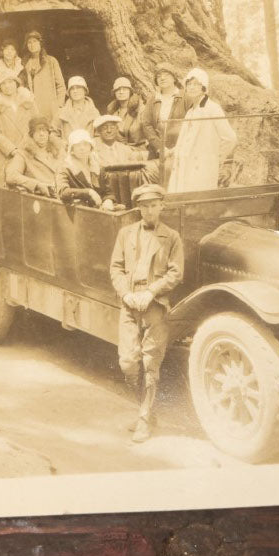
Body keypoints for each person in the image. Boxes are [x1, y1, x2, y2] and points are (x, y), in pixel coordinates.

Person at [109, 183, 183, 443]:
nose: (149, 211)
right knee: (128, 362)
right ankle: (145, 409)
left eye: (154, 205)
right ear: (138, 208)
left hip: (154, 305)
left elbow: (175, 273)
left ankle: (143, 416)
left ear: (162, 206)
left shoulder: (172, 237)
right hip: (130, 303)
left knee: (151, 363)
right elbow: (116, 268)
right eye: (144, 206)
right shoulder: (126, 234)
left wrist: (151, 292)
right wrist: (126, 294)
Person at [166, 67, 238, 193]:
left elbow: (230, 138)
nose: (192, 87)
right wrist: (175, 150)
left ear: (204, 87)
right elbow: (186, 140)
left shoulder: (212, 108)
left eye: (196, 84)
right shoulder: (190, 111)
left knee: (198, 206)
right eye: (189, 84)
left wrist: (213, 158)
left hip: (202, 170)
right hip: (184, 167)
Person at [0, 68, 33, 186]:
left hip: (28, 151)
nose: (7, 86)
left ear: (16, 83)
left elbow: (37, 126)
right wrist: (13, 150)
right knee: (6, 191)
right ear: (0, 87)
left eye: (10, 82)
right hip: (6, 154)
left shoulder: (28, 101)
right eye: (3, 83)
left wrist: (27, 147)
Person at [5, 116, 62, 196]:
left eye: (44, 130)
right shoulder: (23, 154)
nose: (41, 134)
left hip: (62, 194)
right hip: (41, 197)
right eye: (37, 131)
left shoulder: (57, 151)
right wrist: (36, 184)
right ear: (31, 134)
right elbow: (11, 175)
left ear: (48, 134)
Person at [140, 65, 188, 158]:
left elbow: (192, 124)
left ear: (174, 78)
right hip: (157, 152)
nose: (162, 78)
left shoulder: (185, 97)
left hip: (181, 150)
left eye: (166, 74)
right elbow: (146, 125)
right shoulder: (152, 99)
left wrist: (178, 147)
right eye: (158, 76)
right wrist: (159, 148)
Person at [56, 129, 108, 208]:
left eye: (85, 144)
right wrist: (88, 192)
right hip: (80, 210)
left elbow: (108, 192)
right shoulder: (65, 168)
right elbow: (63, 192)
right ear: (72, 149)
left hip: (101, 209)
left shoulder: (97, 167)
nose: (82, 148)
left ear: (91, 147)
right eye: (78, 145)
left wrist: (108, 201)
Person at [23, 30, 66, 121]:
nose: (32, 45)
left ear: (40, 43)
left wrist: (59, 105)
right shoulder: (24, 64)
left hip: (50, 107)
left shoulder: (51, 61)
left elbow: (61, 85)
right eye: (29, 42)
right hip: (33, 106)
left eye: (35, 41)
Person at [105, 76, 145, 146]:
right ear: (114, 93)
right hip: (118, 149)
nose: (121, 92)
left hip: (138, 149)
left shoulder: (140, 109)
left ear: (130, 92)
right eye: (118, 90)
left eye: (125, 89)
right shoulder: (111, 112)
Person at [58, 75, 98, 140]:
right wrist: (62, 146)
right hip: (68, 149)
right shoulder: (61, 112)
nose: (75, 91)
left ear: (85, 90)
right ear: (69, 93)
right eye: (72, 89)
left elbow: (99, 135)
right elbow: (53, 134)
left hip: (88, 148)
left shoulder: (94, 112)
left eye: (78, 88)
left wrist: (91, 146)